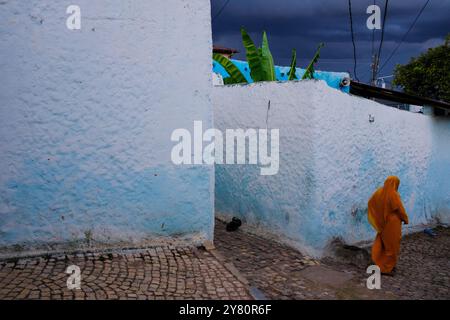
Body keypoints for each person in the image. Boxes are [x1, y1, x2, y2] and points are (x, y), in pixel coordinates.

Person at [368, 176, 409, 275]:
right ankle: (386, 268)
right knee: (392, 245)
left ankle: (378, 262)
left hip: (383, 222)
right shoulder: (393, 194)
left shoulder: (379, 192)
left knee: (382, 242)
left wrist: (378, 217)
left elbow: (371, 203)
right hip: (392, 223)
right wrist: (405, 218)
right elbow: (399, 209)